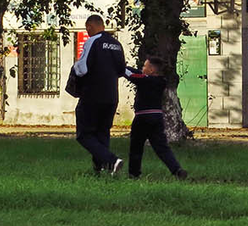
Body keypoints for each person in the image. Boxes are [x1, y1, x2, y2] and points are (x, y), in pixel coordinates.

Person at [73, 14, 126, 175]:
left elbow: (82, 68)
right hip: (111, 96)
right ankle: (101, 169)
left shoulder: (92, 41)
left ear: (90, 26)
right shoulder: (117, 44)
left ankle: (111, 160)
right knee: (102, 132)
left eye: (87, 28)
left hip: (92, 95)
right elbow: (121, 70)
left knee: (84, 134)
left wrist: (75, 68)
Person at [123, 56, 188, 180]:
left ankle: (134, 174)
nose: (142, 69)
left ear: (151, 69)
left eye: (145, 66)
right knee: (162, 147)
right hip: (157, 117)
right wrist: (125, 67)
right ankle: (177, 170)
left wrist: (119, 67)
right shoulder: (161, 81)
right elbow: (136, 72)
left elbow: (132, 76)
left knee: (136, 147)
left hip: (142, 117)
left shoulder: (146, 80)